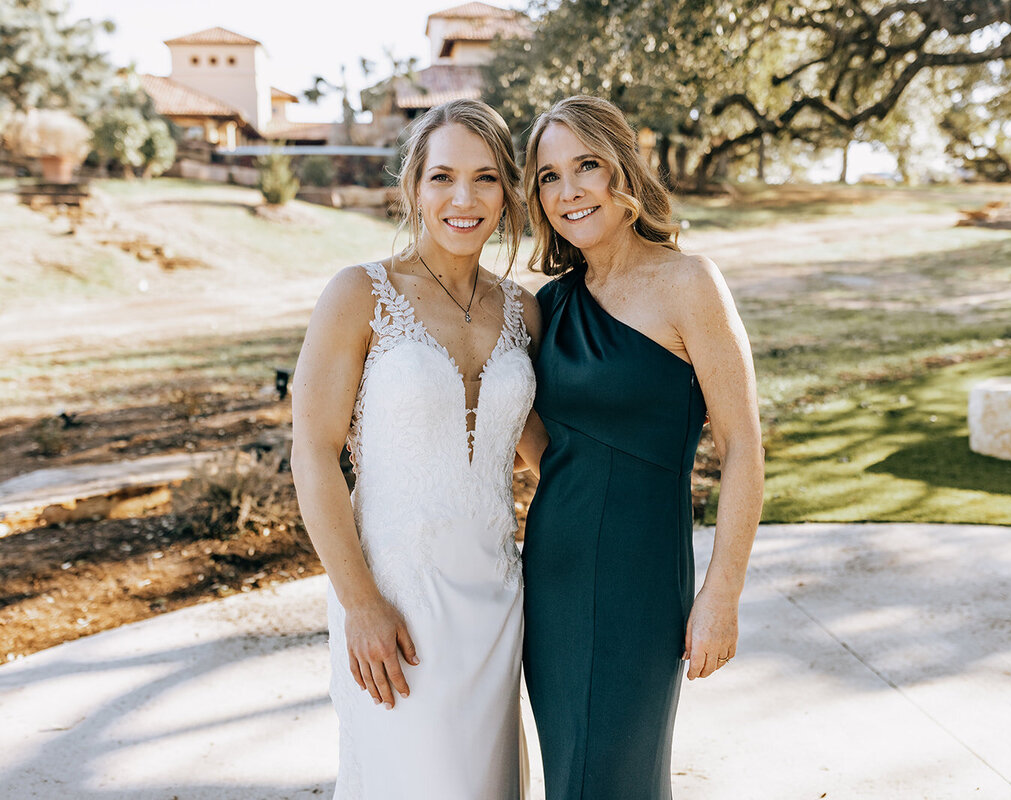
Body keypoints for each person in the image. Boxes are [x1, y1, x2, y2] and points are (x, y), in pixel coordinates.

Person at [290, 99, 542, 799]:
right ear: (413, 186)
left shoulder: (524, 311)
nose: (464, 199)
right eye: (443, 178)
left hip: (496, 600)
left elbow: (545, 452)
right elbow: (313, 453)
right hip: (393, 603)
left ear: (508, 193)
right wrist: (360, 602)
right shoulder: (358, 295)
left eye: (486, 178)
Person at [519, 95, 765, 799]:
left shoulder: (689, 283)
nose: (568, 190)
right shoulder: (550, 304)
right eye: (547, 176)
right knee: (573, 776)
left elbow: (743, 447)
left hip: (640, 573)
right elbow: (536, 432)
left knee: (612, 778)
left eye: (585, 166)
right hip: (553, 569)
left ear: (621, 169)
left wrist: (723, 594)